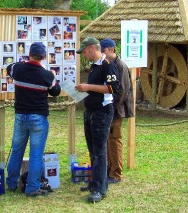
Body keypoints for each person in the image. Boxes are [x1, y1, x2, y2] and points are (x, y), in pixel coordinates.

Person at [6, 42, 61, 197]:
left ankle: (11, 184)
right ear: (43, 57)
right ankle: (32, 188)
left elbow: (9, 68)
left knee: (16, 151)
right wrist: (53, 77)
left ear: (29, 54)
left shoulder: (18, 69)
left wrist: (23, 62)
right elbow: (56, 91)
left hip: (20, 115)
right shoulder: (47, 75)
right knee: (36, 154)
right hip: (38, 117)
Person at [75, 37, 121, 203]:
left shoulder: (107, 65)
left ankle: (100, 189)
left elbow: (113, 88)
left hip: (102, 112)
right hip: (91, 112)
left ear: (93, 48)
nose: (84, 55)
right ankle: (94, 183)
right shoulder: (94, 67)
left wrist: (88, 87)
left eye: (84, 51)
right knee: (93, 150)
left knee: (100, 151)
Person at [101, 38, 134, 184]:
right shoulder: (108, 64)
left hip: (116, 110)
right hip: (109, 108)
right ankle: (110, 170)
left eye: (104, 51)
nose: (102, 53)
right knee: (108, 140)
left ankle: (116, 173)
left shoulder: (121, 66)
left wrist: (111, 108)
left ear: (111, 50)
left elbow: (122, 91)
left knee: (114, 140)